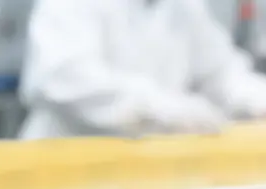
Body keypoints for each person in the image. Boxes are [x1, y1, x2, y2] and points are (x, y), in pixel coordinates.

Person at [19, 0, 266, 140]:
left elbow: (222, 72)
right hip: (64, 165)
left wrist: (258, 99)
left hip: (142, 169)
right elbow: (61, 77)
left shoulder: (184, 6)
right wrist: (155, 107)